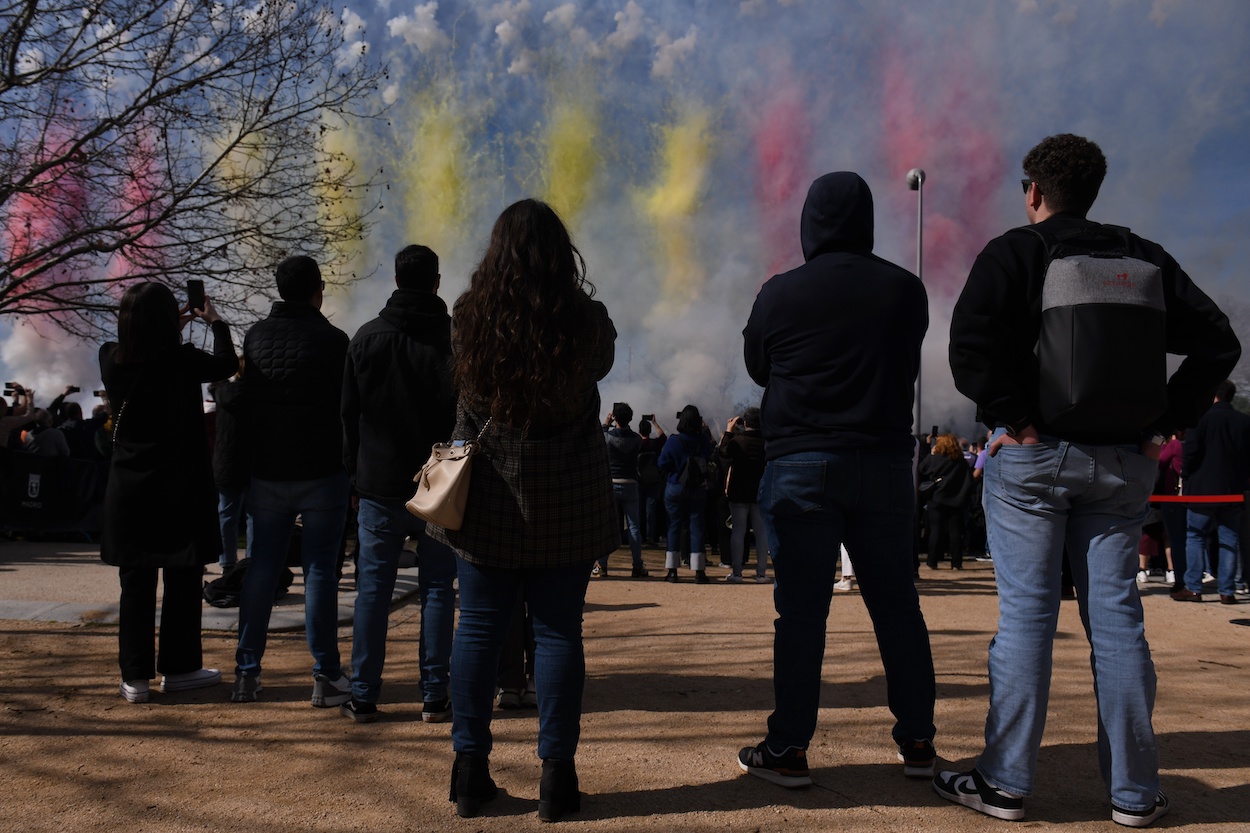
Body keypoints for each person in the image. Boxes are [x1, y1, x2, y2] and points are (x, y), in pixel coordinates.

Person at [940, 133, 1240, 827]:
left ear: (1034, 192)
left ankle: (1006, 782)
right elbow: (1219, 340)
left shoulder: (1015, 250)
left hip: (1035, 460)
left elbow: (969, 344)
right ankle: (1134, 794)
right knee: (1118, 624)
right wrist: (1165, 422)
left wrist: (1016, 420)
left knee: (1027, 619)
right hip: (1122, 465)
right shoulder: (1143, 256)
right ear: (1093, 193)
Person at [739, 171, 937, 788]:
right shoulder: (907, 290)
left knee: (801, 614)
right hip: (881, 462)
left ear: (809, 222)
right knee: (898, 608)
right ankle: (920, 741)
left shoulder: (779, 292)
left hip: (801, 463)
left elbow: (756, 365)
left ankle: (789, 747)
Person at [429, 199, 617, 822]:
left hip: (490, 497)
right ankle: (557, 780)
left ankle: (468, 771)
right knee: (559, 632)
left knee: (479, 629)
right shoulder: (588, 322)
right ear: (562, 254)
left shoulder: (468, 318)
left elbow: (465, 392)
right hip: (566, 494)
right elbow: (602, 364)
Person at [98, 282, 237, 703]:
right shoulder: (183, 360)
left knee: (135, 582)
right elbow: (226, 364)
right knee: (182, 575)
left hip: (130, 488)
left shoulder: (110, 358)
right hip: (179, 484)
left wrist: (161, 326)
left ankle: (135, 677)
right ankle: (180, 668)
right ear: (166, 321)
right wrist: (215, 322)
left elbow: (138, 349)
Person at [339, 244, 458, 723]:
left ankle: (365, 693)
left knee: (373, 591)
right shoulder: (454, 342)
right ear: (436, 282)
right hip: (440, 481)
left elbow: (348, 415)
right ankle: (434, 695)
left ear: (395, 278)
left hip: (379, 481)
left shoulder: (366, 338)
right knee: (436, 589)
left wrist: (353, 473)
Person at [232, 255, 352, 706]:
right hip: (322, 470)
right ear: (317, 290)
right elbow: (345, 408)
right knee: (321, 572)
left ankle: (247, 673)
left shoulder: (257, 336)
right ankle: (325, 675)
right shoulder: (334, 340)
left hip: (267, 471)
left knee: (261, 569)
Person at [1174, 380, 1250, 605]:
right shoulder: (1244, 422)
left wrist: (1186, 477)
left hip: (1201, 489)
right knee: (1230, 539)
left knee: (1196, 536)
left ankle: (1194, 587)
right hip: (1233, 490)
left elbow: (1191, 453)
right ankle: (1227, 590)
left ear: (1213, 395)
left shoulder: (1201, 419)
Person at [657, 405, 714, 583]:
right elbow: (709, 455)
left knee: (674, 526)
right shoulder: (703, 440)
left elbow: (662, 463)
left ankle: (673, 571)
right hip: (697, 487)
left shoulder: (674, 441)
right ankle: (699, 571)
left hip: (675, 486)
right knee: (697, 527)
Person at [718, 407, 770, 583]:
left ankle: (737, 572)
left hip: (739, 492)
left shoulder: (737, 441)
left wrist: (728, 431)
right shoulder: (766, 442)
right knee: (761, 533)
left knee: (738, 532)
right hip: (760, 492)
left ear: (744, 423)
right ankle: (761, 573)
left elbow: (722, 452)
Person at [597, 402, 647, 578]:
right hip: (631, 483)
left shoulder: (607, 437)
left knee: (607, 525)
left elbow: (600, 436)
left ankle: (602, 565)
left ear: (615, 417)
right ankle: (637, 565)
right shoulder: (637, 439)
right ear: (631, 418)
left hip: (610, 483)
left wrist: (606, 423)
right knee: (634, 526)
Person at [918, 433, 973, 570]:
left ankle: (932, 561)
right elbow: (969, 480)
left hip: (937, 498)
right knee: (955, 532)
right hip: (956, 500)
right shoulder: (960, 461)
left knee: (936, 530)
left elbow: (922, 468)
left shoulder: (935, 458)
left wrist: (931, 454)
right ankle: (956, 563)